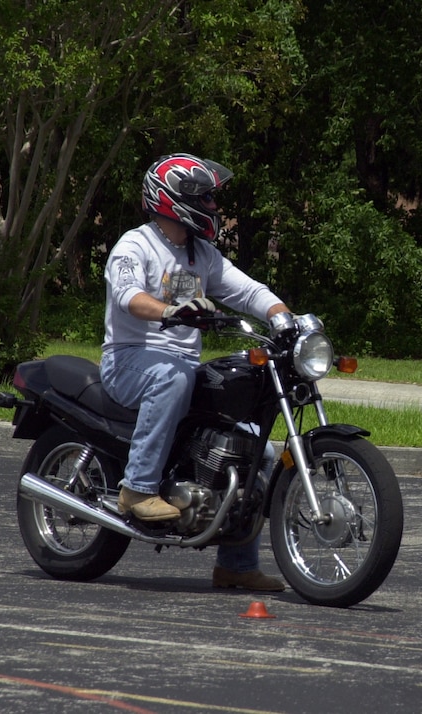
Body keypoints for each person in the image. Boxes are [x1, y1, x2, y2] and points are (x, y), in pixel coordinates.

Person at [101, 153, 290, 592]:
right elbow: (127, 295)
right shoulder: (135, 245)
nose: (212, 207)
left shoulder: (201, 254)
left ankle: (237, 566)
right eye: (203, 198)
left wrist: (283, 316)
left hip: (180, 366)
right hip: (130, 359)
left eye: (210, 198)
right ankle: (138, 489)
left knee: (253, 447)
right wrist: (169, 310)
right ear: (170, 200)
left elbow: (246, 290)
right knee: (173, 377)